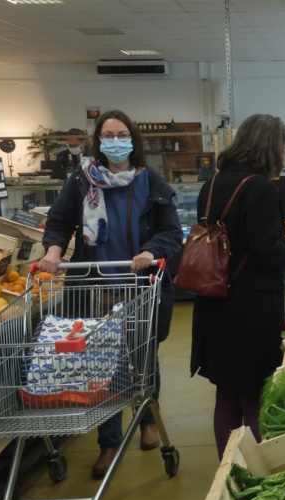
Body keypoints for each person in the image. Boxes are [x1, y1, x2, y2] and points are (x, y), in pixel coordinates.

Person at [38, 110, 184, 479]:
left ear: (133, 139)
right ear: (98, 140)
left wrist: (151, 251)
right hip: (95, 284)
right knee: (103, 362)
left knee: (142, 356)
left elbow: (171, 232)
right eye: (108, 134)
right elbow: (59, 222)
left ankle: (147, 418)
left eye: (121, 133)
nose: (115, 140)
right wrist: (54, 250)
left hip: (141, 285)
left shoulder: (150, 180)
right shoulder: (82, 181)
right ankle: (109, 441)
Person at [189, 113, 285, 458]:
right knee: (256, 396)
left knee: (227, 395)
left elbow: (233, 239)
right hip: (250, 308)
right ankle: (259, 469)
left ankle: (228, 470)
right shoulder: (261, 187)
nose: (284, 155)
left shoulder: (212, 183)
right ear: (269, 148)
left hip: (214, 300)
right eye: (282, 147)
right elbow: (268, 253)